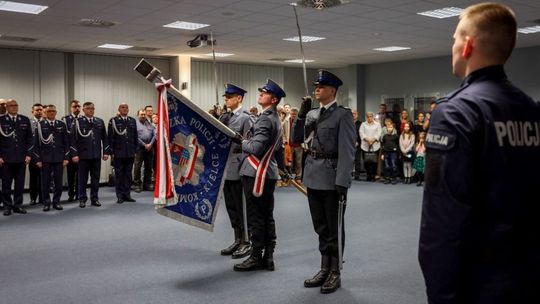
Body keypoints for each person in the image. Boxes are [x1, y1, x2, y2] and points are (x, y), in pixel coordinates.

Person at [418, 3, 540, 304]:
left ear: (469, 44)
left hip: (479, 279)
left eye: (455, 38)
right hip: (527, 271)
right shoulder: (529, 108)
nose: (454, 46)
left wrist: (441, 295)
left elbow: (443, 220)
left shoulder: (457, 111)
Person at [295, 70, 356, 294]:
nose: (317, 89)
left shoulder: (343, 115)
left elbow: (347, 152)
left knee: (334, 228)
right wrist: (301, 116)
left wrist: (343, 182)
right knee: (320, 226)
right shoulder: (312, 114)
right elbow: (295, 140)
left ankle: (335, 271)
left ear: (333, 90)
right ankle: (324, 267)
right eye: (316, 86)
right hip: (313, 177)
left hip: (332, 179)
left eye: (322, 86)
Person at [233, 79, 284, 272]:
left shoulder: (264, 119)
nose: (261, 94)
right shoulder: (275, 118)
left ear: (274, 99)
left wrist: (241, 141)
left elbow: (255, 147)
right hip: (267, 172)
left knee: (255, 216)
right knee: (266, 216)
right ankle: (268, 256)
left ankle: (256, 257)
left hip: (256, 174)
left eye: (265, 92)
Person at [219, 83, 255, 259]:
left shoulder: (246, 118)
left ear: (238, 98)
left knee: (242, 206)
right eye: (226, 97)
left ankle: (247, 242)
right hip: (227, 167)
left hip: (239, 165)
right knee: (231, 206)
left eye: (229, 96)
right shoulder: (225, 117)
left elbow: (250, 145)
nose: (226, 99)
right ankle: (237, 238)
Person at [70, 102, 110, 208]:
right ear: (83, 110)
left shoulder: (99, 121)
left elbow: (105, 138)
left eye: (92, 108)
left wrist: (106, 152)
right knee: (82, 179)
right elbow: (72, 140)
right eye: (88, 108)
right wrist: (74, 154)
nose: (91, 110)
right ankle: (82, 199)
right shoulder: (77, 122)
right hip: (83, 156)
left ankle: (94, 198)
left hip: (96, 155)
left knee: (95, 179)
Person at [34, 105, 69, 211]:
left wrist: (66, 157)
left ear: (56, 112)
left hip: (59, 157)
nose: (51, 113)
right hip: (45, 158)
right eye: (49, 111)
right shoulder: (40, 125)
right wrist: (38, 159)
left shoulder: (61, 124)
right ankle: (46, 202)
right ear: (45, 112)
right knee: (45, 182)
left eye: (53, 111)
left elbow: (66, 142)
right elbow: (36, 143)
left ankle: (56, 202)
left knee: (58, 182)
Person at [0, 99, 33, 216]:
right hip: (6, 159)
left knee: (20, 184)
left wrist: (29, 155)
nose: (14, 107)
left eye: (16, 105)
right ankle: (7, 206)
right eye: (11, 105)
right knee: (6, 184)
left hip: (21, 158)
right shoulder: (1, 120)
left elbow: (30, 139)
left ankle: (18, 205)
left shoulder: (24, 119)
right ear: (7, 107)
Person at [108, 103, 138, 204]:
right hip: (118, 152)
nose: (125, 109)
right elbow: (110, 138)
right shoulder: (113, 121)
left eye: (126, 107)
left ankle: (127, 194)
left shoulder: (132, 121)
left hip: (130, 152)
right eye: (122, 107)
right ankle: (120, 195)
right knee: (119, 174)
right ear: (119, 109)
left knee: (128, 175)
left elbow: (135, 137)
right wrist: (111, 152)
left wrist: (135, 150)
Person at [63, 99, 81, 202]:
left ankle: (79, 193)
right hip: (70, 152)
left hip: (81, 152)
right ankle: (71, 194)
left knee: (81, 174)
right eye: (75, 106)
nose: (77, 108)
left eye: (78, 106)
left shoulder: (83, 119)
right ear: (71, 108)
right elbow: (65, 138)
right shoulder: (65, 120)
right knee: (70, 175)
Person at [133, 109, 155, 193]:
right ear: (138, 115)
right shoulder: (135, 124)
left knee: (149, 166)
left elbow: (154, 134)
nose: (143, 116)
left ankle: (147, 184)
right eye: (141, 114)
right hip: (139, 148)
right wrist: (144, 144)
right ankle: (137, 184)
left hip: (150, 148)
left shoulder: (149, 123)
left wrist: (150, 144)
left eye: (144, 114)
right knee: (137, 166)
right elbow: (135, 136)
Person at [359, 112, 381, 182]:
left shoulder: (377, 124)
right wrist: (367, 140)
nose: (369, 118)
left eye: (371, 116)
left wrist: (373, 140)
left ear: (373, 117)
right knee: (366, 161)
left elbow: (379, 133)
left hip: (375, 146)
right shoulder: (363, 124)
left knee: (374, 162)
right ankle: (368, 175)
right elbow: (361, 133)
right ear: (366, 117)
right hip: (365, 146)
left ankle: (373, 175)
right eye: (368, 116)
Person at [29, 103, 44, 206]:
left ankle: (43, 198)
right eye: (37, 110)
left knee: (44, 178)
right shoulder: (28, 123)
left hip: (45, 155)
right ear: (32, 111)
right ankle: (33, 198)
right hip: (33, 155)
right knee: (33, 178)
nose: (39, 112)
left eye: (40, 110)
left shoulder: (46, 122)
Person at [351, 109, 362, 180]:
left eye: (355, 113)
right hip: (349, 144)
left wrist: (358, 142)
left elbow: (362, 134)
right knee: (349, 160)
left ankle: (357, 175)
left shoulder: (361, 124)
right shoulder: (348, 123)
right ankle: (349, 174)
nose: (353, 115)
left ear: (357, 115)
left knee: (357, 160)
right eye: (352, 114)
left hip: (358, 144)